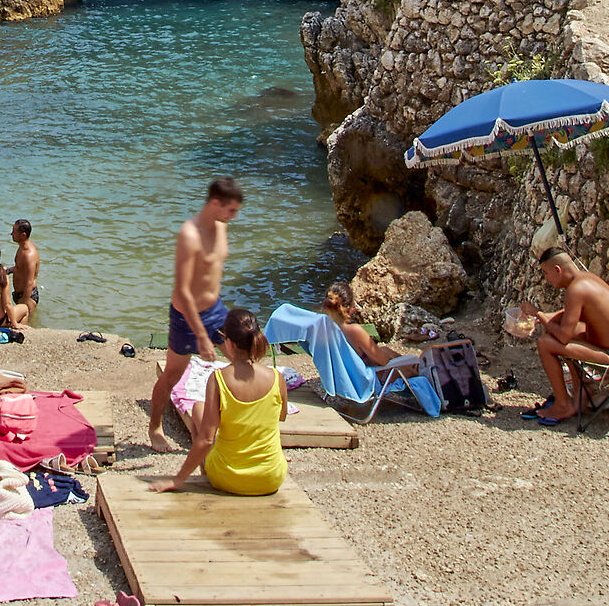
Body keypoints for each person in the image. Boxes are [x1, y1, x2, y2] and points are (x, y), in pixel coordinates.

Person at [149, 177, 244, 453]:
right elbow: (184, 290)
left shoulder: (222, 226)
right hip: (186, 316)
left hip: (215, 310)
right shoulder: (190, 235)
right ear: (215, 203)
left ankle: (236, 421)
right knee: (173, 374)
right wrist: (202, 338)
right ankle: (155, 427)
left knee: (241, 358)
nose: (235, 216)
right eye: (231, 210)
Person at [151, 307, 287, 496]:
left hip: (229, 477)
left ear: (228, 342)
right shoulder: (276, 377)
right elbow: (281, 416)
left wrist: (178, 479)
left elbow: (206, 440)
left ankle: (206, 473)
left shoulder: (218, 379)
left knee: (198, 408)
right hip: (271, 477)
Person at [519, 247, 609, 427]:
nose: (546, 279)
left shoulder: (576, 289)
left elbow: (564, 337)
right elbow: (569, 315)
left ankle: (563, 405)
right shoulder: (586, 278)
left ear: (558, 270)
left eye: (546, 273)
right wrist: (543, 317)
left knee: (545, 343)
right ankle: (580, 392)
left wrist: (539, 314)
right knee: (554, 331)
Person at [320, 284, 414, 369]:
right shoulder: (354, 330)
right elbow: (384, 361)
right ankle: (417, 370)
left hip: (341, 380)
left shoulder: (322, 329)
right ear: (350, 307)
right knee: (410, 367)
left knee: (385, 350)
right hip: (364, 383)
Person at [10, 219, 41, 315]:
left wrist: (23, 304)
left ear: (23, 235)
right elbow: (21, 268)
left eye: (14, 231)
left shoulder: (29, 254)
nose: (11, 234)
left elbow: (29, 282)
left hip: (27, 296)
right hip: (19, 294)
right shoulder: (22, 247)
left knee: (25, 324)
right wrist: (8, 270)